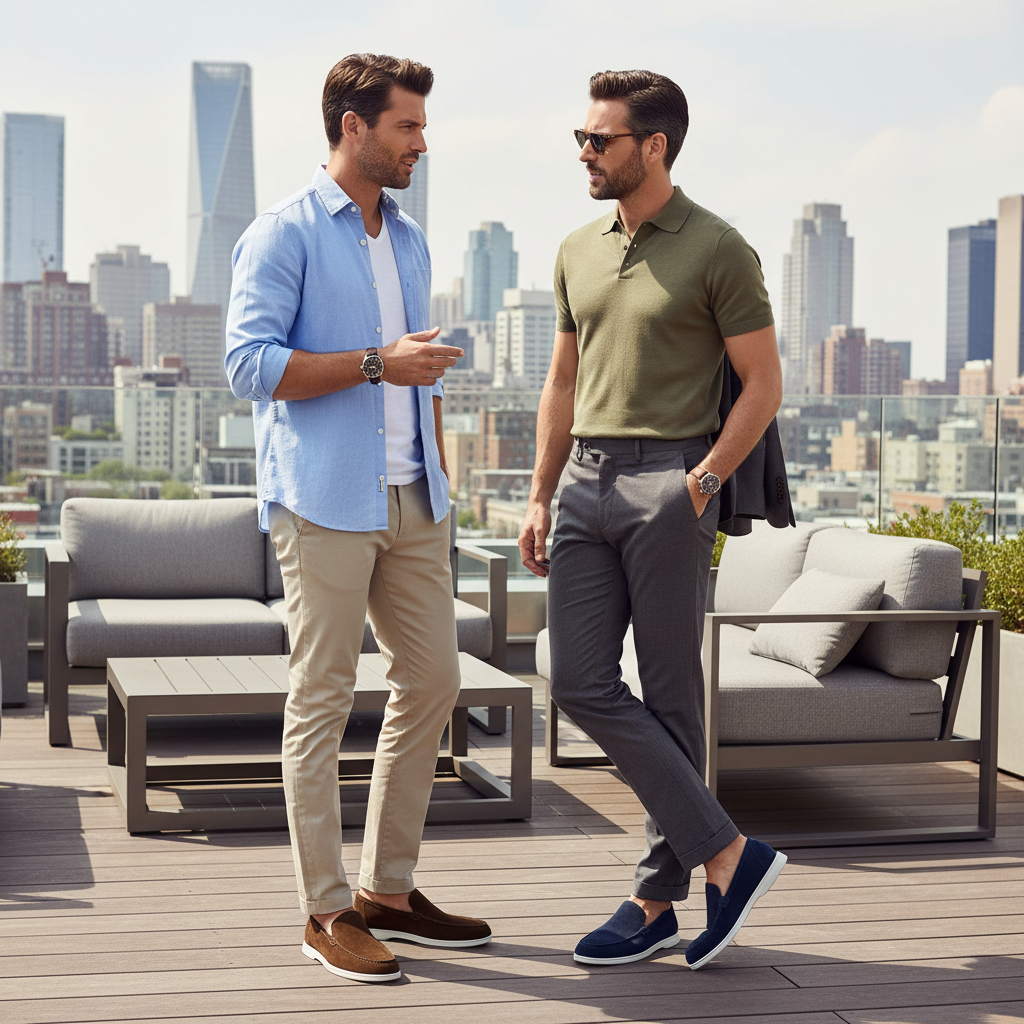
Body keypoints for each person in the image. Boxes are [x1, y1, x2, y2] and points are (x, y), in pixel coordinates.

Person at [226, 52, 491, 985]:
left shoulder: (411, 239)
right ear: (353, 127)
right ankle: (324, 910)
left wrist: (441, 482)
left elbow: (420, 370)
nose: (422, 141)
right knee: (323, 699)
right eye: (407, 126)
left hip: (415, 499)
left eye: (420, 125)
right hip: (326, 501)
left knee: (434, 679)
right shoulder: (283, 233)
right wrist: (376, 363)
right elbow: (250, 366)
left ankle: (387, 889)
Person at [519, 69, 787, 971]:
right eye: (582, 139)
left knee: (673, 695)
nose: (585, 153)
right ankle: (729, 854)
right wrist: (538, 490)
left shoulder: (719, 248)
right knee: (581, 678)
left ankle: (652, 898)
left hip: (670, 484)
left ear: (654, 147)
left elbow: (764, 385)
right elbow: (563, 381)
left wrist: (703, 482)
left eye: (600, 140)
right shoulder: (576, 248)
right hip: (584, 481)